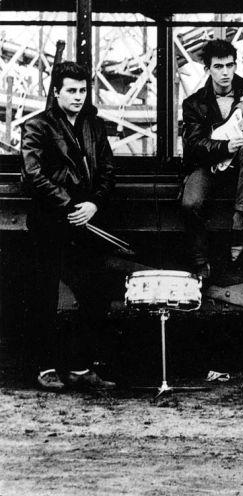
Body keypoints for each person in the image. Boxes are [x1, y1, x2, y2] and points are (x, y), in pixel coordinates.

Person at [21, 61, 117, 391]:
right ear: (56, 92)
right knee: (44, 296)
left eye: (83, 90)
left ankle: (80, 367)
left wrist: (94, 204)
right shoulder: (36, 126)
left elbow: (107, 171)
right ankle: (45, 368)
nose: (78, 96)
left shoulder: (95, 126)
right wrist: (69, 204)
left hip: (85, 222)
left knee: (94, 294)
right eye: (71, 90)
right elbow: (33, 175)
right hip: (50, 222)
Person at [181, 39, 243, 280]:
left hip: (239, 170)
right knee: (190, 203)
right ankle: (200, 262)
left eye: (230, 65)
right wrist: (224, 146)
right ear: (207, 69)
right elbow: (194, 145)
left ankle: (239, 225)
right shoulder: (194, 104)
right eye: (218, 66)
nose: (225, 72)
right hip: (207, 166)